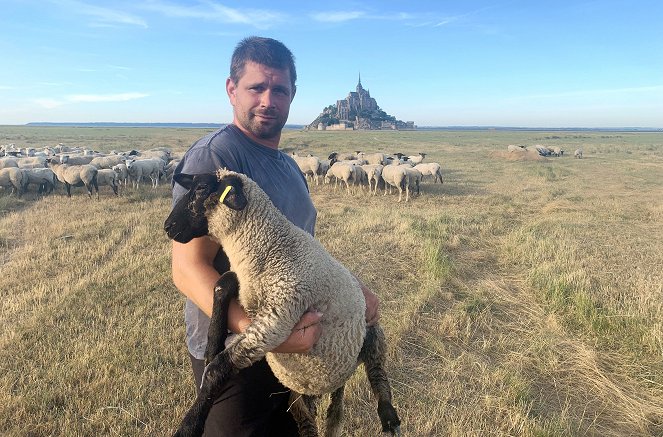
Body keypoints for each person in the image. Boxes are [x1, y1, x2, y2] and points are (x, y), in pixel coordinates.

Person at [170, 36, 380, 436]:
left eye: (279, 89)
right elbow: (187, 268)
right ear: (231, 90)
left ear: (293, 95)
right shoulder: (216, 159)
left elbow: (305, 251)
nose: (268, 100)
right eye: (256, 87)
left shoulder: (288, 166)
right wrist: (268, 336)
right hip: (237, 351)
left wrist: (355, 288)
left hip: (298, 350)